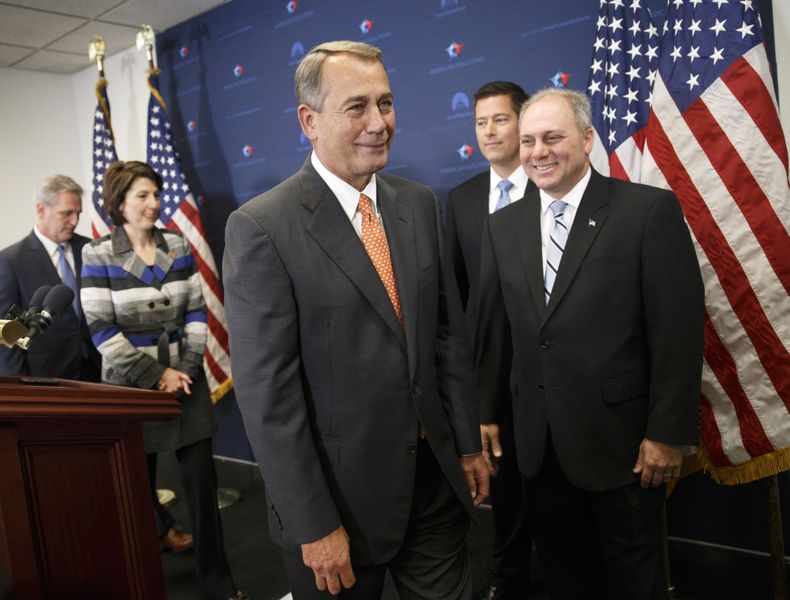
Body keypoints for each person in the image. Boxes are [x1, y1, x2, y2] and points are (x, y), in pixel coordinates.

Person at [223, 40, 489, 600]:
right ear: (309, 121)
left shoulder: (418, 203)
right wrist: (313, 525)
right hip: (336, 506)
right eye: (357, 107)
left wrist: (466, 444)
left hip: (434, 485)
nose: (379, 122)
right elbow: (270, 398)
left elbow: (445, 337)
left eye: (386, 103)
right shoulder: (262, 227)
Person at [474, 88, 704, 599]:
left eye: (553, 138)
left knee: (631, 580)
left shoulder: (647, 212)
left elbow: (678, 331)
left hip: (622, 445)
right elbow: (496, 327)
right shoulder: (501, 226)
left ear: (586, 138)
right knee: (564, 577)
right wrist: (487, 411)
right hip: (538, 444)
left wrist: (668, 433)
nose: (539, 152)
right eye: (529, 140)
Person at [80, 161, 243, 600]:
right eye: (142, 196)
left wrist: (184, 370)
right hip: (131, 392)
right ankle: (143, 584)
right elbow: (101, 330)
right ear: (118, 203)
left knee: (201, 489)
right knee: (135, 496)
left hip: (186, 386)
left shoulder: (177, 244)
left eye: (155, 194)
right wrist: (155, 376)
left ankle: (217, 583)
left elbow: (196, 313)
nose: (153, 204)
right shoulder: (97, 254)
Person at [445, 81, 534, 600]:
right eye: (480, 123)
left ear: (522, 123)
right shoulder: (461, 200)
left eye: (500, 119)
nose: (489, 131)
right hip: (488, 381)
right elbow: (455, 303)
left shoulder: (552, 185)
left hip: (547, 373)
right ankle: (511, 576)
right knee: (504, 489)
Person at [0, 175, 100, 380]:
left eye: (78, 213)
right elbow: (7, 337)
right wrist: (17, 387)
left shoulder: (91, 249)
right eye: (67, 213)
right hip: (46, 377)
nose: (75, 221)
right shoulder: (10, 261)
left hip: (97, 370)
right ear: (41, 210)